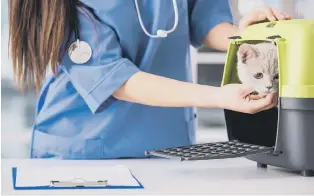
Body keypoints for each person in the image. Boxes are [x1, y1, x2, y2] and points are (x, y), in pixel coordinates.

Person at [9, 0, 284, 159]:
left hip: (167, 145)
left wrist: (249, 36)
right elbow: (116, 80)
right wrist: (220, 97)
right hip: (84, 149)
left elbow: (205, 21)